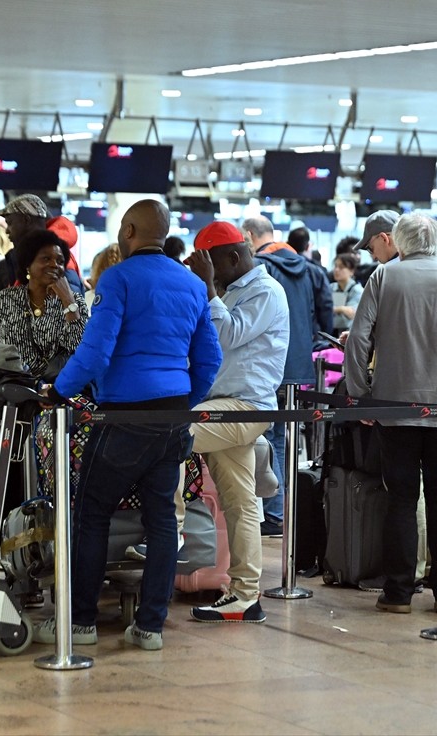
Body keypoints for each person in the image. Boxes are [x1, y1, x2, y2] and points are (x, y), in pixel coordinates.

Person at [35, 199, 221, 650]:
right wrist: (180, 401)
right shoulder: (193, 284)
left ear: (132, 231)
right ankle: (150, 627)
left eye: (122, 227)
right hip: (173, 419)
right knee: (161, 521)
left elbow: (96, 353)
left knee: (92, 512)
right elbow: (210, 359)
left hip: (124, 416)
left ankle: (80, 622)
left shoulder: (117, 278)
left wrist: (59, 390)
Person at [344, 213, 437, 613]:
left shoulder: (383, 278)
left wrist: (362, 393)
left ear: (400, 240)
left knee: (400, 500)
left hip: (394, 410)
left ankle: (397, 593)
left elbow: (358, 339)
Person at [183, 221, 288, 623]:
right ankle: (245, 596)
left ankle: (169, 532)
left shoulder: (265, 291)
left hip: (243, 408)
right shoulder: (235, 290)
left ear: (231, 258)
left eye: (209, 266)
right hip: (222, 404)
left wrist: (209, 290)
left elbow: (228, 335)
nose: (206, 274)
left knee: (169, 433)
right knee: (240, 504)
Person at [243, 215, 330, 536]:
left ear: (249, 235)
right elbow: (325, 313)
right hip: (299, 366)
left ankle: (276, 511)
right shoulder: (308, 268)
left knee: (268, 439)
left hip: (268, 365)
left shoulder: (257, 266)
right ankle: (284, 509)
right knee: (285, 440)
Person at [0, 230, 87, 380]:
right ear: (28, 265)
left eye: (60, 261)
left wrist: (68, 301)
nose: (54, 265)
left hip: (56, 390)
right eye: (46, 259)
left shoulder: (75, 302)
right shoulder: (5, 299)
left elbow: (80, 350)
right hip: (10, 388)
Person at [330, 252, 362, 335]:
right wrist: (341, 309)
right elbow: (322, 309)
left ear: (351, 271)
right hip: (330, 334)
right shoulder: (330, 288)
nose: (336, 270)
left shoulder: (357, 291)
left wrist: (334, 309)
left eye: (341, 267)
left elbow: (350, 314)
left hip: (349, 335)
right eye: (336, 266)